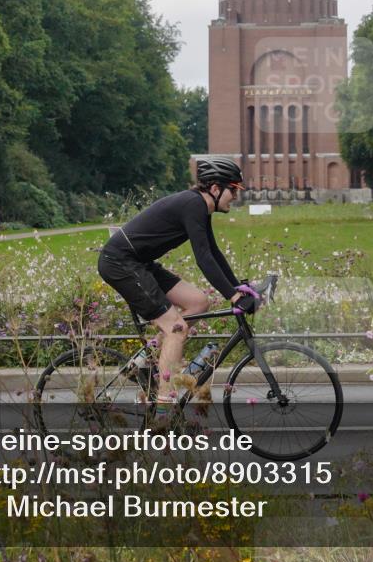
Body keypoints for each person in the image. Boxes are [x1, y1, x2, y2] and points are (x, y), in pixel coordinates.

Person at [97, 157, 256, 416]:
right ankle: (163, 407)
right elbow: (202, 258)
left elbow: (213, 252)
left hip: (139, 262)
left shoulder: (199, 207)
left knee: (198, 302)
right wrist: (234, 296)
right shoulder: (193, 204)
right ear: (215, 189)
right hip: (120, 263)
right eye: (234, 189)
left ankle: (145, 361)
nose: (236, 196)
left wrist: (239, 287)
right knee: (176, 329)